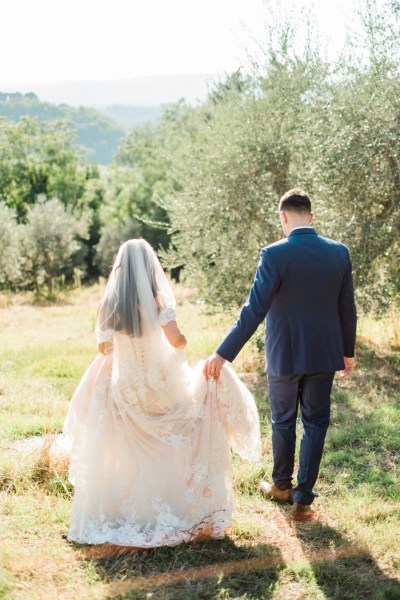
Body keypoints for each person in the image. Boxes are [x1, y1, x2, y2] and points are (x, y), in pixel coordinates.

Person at [63, 238, 261, 547]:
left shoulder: (108, 305)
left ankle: (134, 507)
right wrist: (174, 337)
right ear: (147, 267)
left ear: (121, 266)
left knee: (134, 447)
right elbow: (178, 341)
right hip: (162, 388)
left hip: (126, 390)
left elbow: (103, 347)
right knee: (193, 405)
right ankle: (174, 501)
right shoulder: (157, 300)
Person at [204, 189, 357, 522]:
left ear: (283, 217)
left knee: (283, 420)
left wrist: (222, 354)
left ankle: (281, 486)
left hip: (284, 355)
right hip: (325, 354)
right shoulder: (339, 253)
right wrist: (348, 352)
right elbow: (348, 309)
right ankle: (303, 500)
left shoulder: (274, 255)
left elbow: (253, 310)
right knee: (316, 422)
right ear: (311, 217)